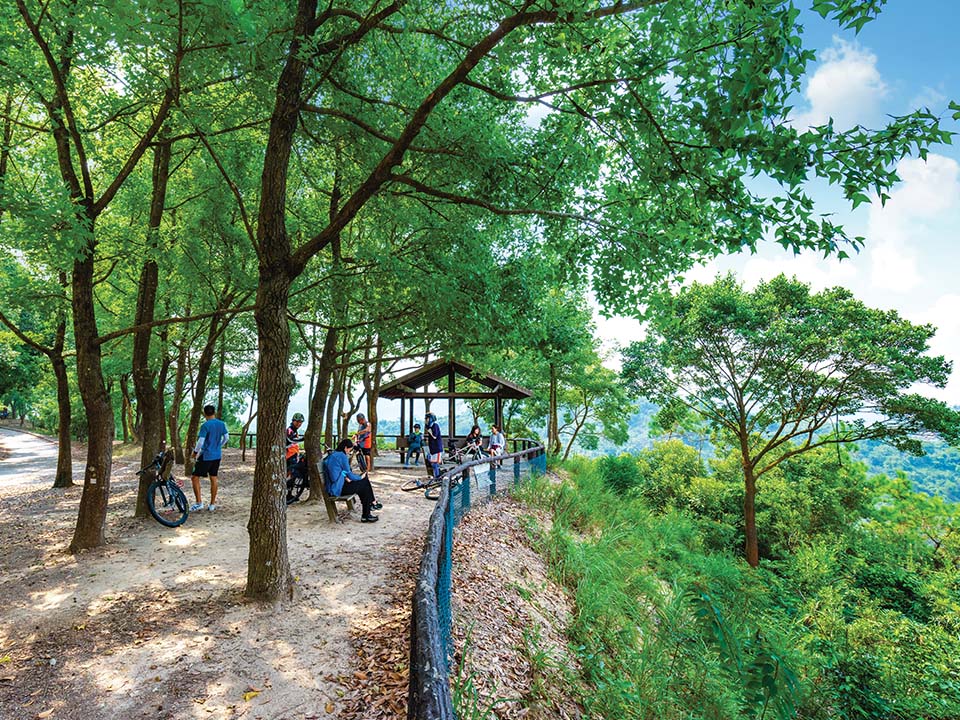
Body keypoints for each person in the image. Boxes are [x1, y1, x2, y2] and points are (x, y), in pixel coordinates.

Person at [323, 438, 381, 522]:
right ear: (345, 447)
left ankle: (369, 508)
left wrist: (346, 477)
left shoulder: (335, 454)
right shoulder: (342, 456)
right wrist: (360, 477)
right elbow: (349, 474)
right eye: (349, 449)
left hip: (336, 485)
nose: (349, 452)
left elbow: (340, 472)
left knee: (363, 485)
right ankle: (368, 510)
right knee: (364, 482)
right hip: (337, 489)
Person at [190, 404, 229, 512]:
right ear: (214, 412)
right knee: (213, 478)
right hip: (217, 455)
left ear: (204, 413)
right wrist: (219, 445)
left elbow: (200, 442)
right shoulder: (221, 424)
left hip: (206, 455)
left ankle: (199, 503)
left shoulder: (205, 425)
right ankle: (212, 504)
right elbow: (226, 437)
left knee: (195, 477)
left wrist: (194, 453)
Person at [424, 411, 444, 478]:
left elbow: (434, 436)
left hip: (437, 449)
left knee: (435, 464)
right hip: (433, 449)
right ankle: (436, 476)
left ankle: (437, 477)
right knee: (433, 463)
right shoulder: (430, 426)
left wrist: (429, 431)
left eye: (427, 418)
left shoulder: (435, 425)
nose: (426, 420)